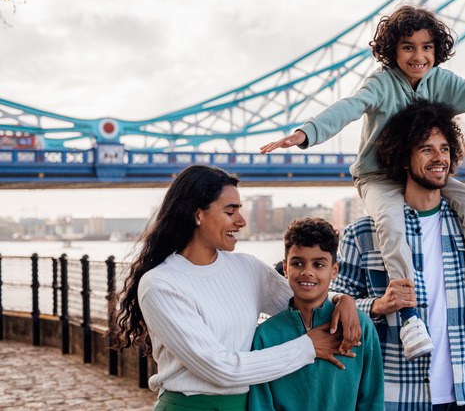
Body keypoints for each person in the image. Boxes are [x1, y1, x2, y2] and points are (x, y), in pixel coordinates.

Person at [262, 5, 465, 360]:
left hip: (423, 170)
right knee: (389, 221)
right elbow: (348, 106)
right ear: (393, 51)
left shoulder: (444, 83)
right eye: (408, 47)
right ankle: (408, 318)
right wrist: (305, 133)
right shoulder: (380, 83)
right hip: (379, 176)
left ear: (436, 50)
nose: (418, 56)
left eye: (426, 47)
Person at [108, 165, 362, 411]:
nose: (241, 221)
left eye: (240, 210)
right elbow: (220, 369)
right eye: (231, 212)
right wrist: (307, 347)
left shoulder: (247, 268)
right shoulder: (160, 284)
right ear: (197, 215)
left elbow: (305, 304)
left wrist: (342, 299)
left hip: (246, 405)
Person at [331, 99, 465, 410]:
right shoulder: (362, 234)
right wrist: (378, 305)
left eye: (444, 148)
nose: (439, 157)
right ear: (404, 158)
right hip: (400, 395)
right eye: (426, 149)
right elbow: (333, 303)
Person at [248, 218, 384, 411]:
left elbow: (372, 401)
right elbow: (260, 405)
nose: (307, 272)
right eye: (298, 263)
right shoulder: (265, 336)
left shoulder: (359, 326)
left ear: (334, 270)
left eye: (318, 264)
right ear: (285, 268)